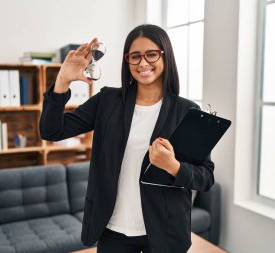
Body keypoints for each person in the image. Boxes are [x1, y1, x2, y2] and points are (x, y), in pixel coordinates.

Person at [39, 24, 214, 253]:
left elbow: (205, 177)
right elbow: (52, 131)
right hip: (114, 231)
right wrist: (62, 81)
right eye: (135, 56)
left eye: (151, 54)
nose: (142, 63)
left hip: (166, 231)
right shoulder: (107, 101)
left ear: (166, 56)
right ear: (127, 60)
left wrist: (173, 166)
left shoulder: (187, 111)